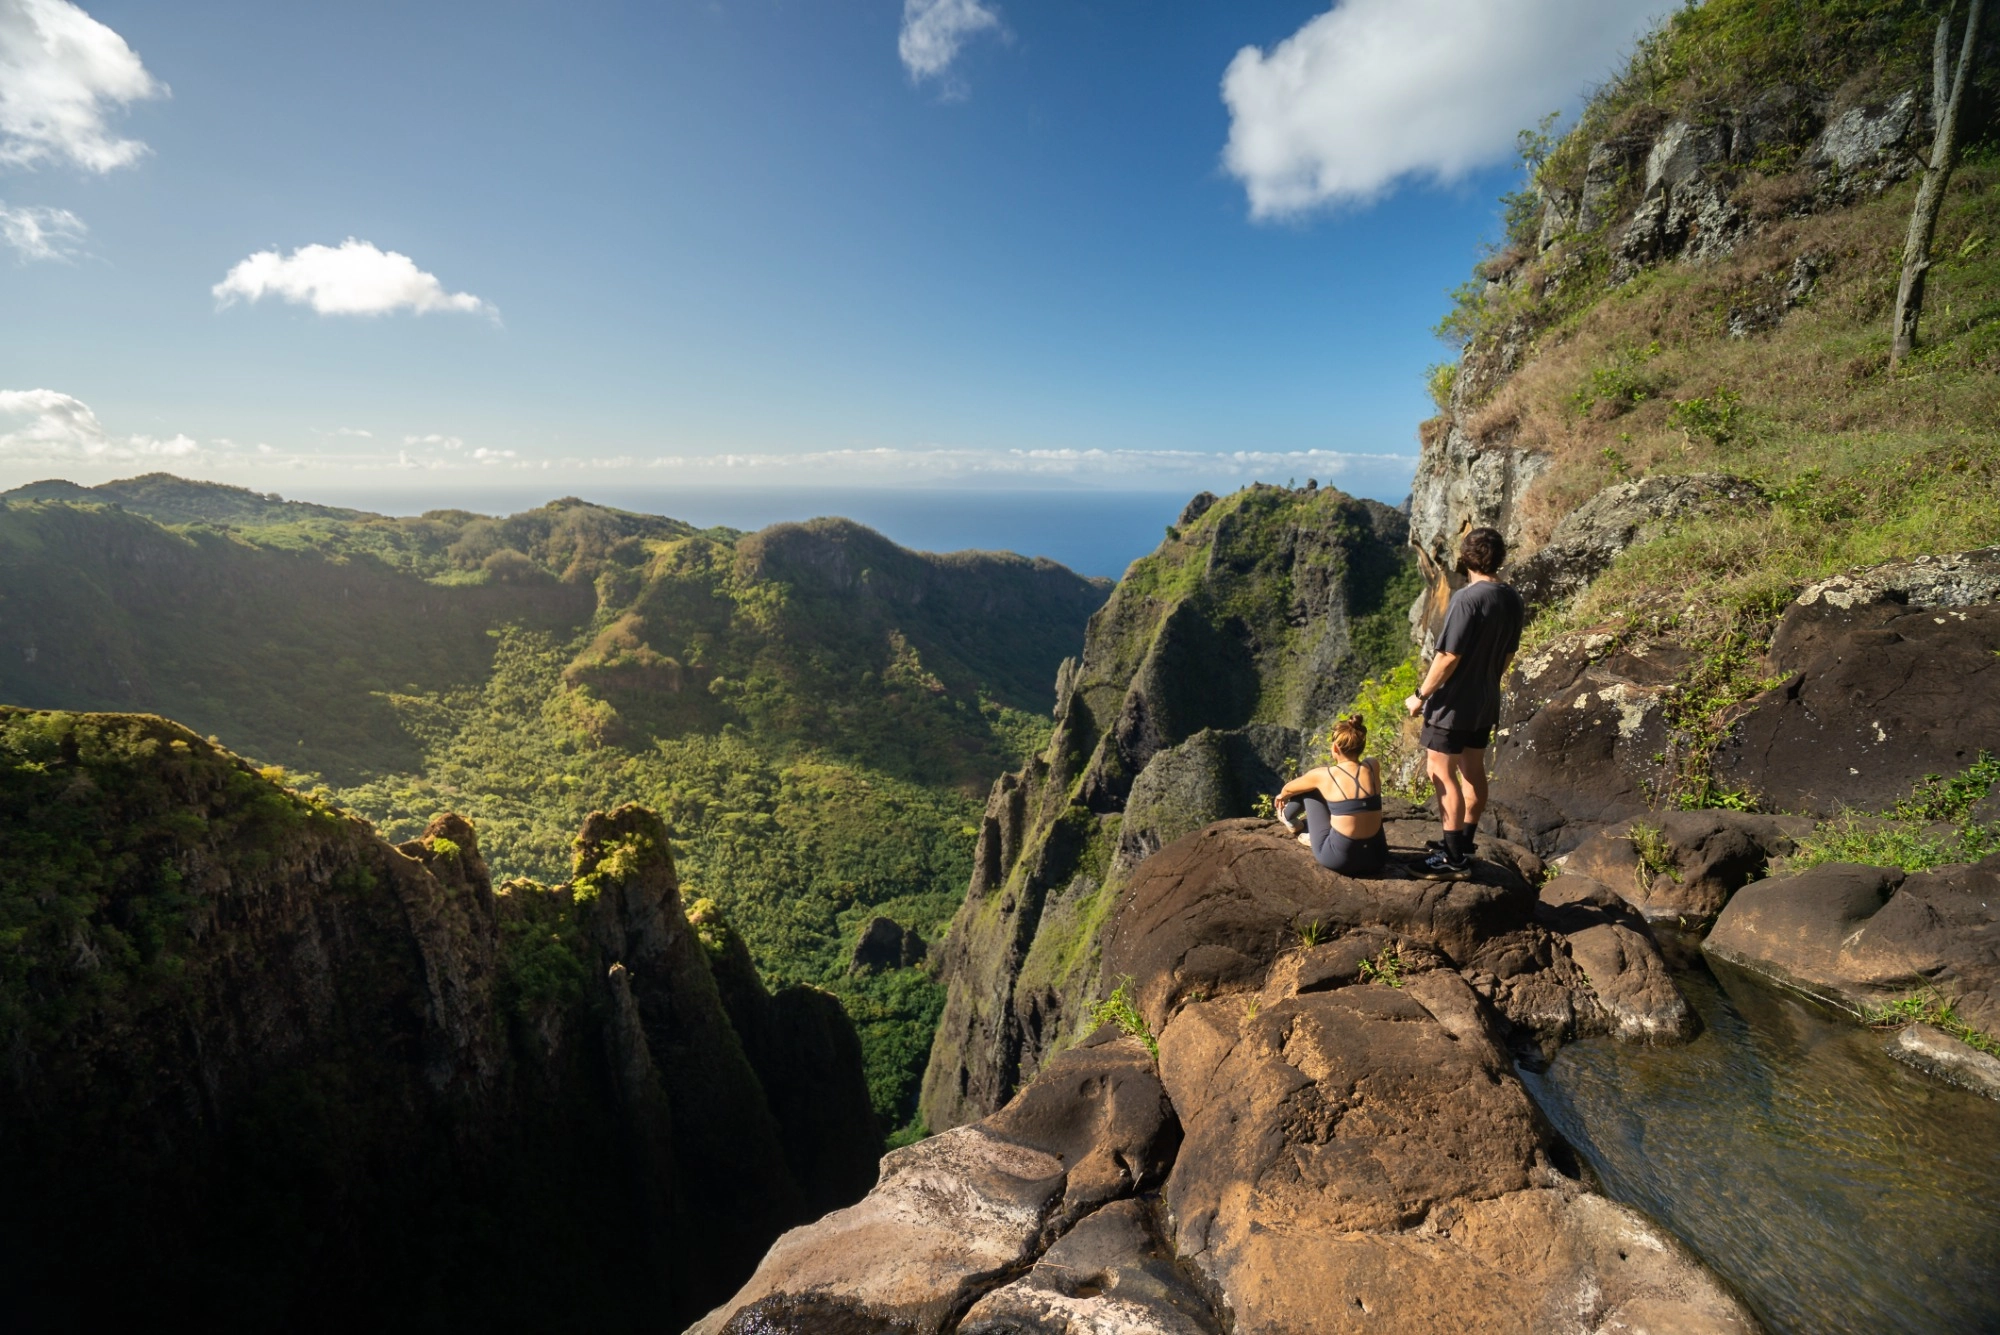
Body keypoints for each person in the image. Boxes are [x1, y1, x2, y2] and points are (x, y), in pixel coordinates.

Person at [1405, 526, 1524, 879]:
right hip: (1485, 700)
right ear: (1500, 557)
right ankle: (1464, 841)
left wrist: (1421, 696)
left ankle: (1453, 858)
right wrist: (1486, 682)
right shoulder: (1511, 598)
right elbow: (1507, 655)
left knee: (1440, 772)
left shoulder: (1467, 599)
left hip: (1453, 703)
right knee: (1473, 770)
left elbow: (1447, 657)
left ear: (1466, 558)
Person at [1273, 714, 1388, 877]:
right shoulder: (1372, 765)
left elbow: (1289, 789)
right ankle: (1295, 822)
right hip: (1377, 858)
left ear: (1335, 748)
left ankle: (1290, 819)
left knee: (1311, 790)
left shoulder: (1325, 776)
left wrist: (1281, 796)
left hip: (1339, 859)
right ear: (1362, 746)